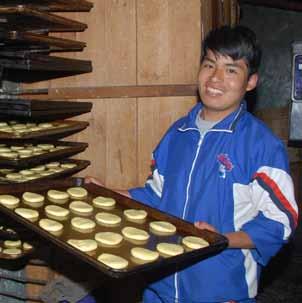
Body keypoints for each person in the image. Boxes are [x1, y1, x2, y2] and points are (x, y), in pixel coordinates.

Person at [85, 25, 298, 303]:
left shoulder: (261, 146)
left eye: (231, 70)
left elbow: (281, 221)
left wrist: (223, 238)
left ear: (251, 82)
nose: (215, 78)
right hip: (159, 288)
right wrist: (109, 193)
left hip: (221, 291)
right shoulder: (177, 135)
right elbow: (155, 196)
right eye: (209, 64)